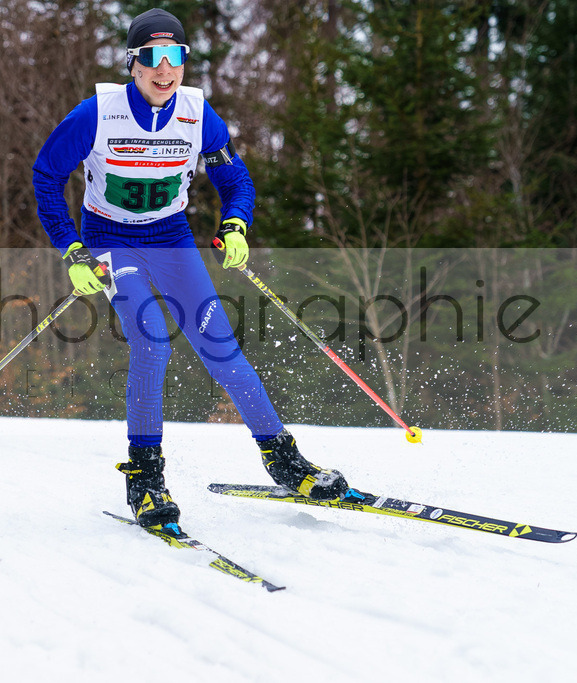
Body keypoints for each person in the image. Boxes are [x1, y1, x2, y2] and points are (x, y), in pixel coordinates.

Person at [32, 8, 349, 530]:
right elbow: (47, 177)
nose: (165, 70)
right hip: (110, 239)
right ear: (133, 64)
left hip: (172, 237)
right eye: (153, 58)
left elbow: (236, 182)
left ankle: (286, 462)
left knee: (220, 346)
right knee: (152, 340)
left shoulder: (200, 116)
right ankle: (146, 478)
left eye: (175, 57)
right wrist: (70, 248)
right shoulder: (94, 114)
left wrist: (236, 224)